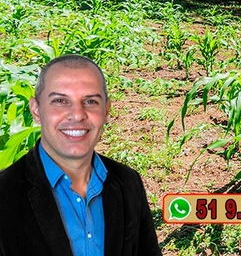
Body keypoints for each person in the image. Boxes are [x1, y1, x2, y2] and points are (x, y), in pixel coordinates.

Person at [0, 54, 162, 256]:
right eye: (60, 100)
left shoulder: (128, 183)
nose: (77, 115)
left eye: (91, 101)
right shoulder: (5, 194)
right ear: (36, 110)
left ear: (106, 110)